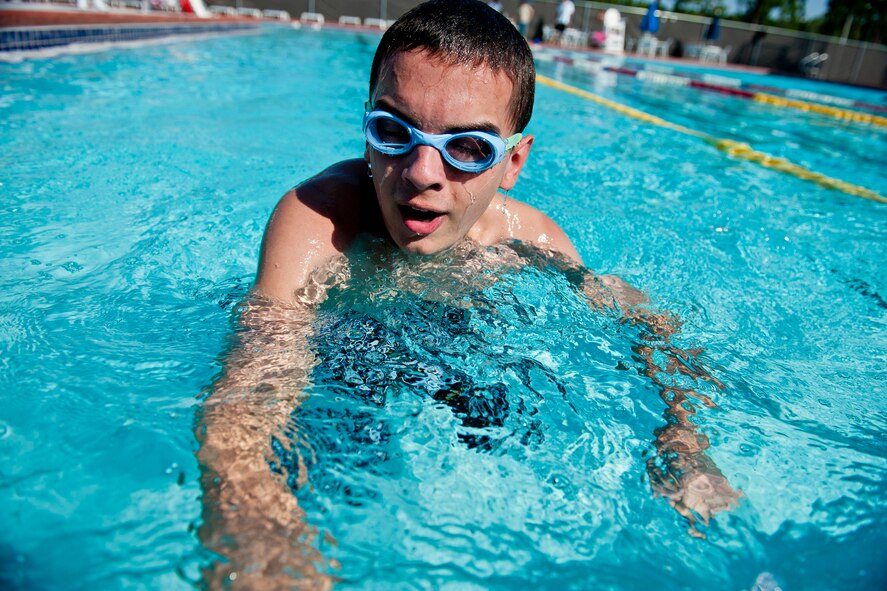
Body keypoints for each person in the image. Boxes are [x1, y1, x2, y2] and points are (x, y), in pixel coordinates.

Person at [196, 0, 739, 586]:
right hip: (342, 345)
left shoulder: (529, 240)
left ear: (513, 162)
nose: (422, 171)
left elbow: (648, 321)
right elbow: (254, 379)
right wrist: (254, 522)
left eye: (469, 147)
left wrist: (685, 438)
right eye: (392, 131)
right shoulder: (320, 218)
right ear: (366, 136)